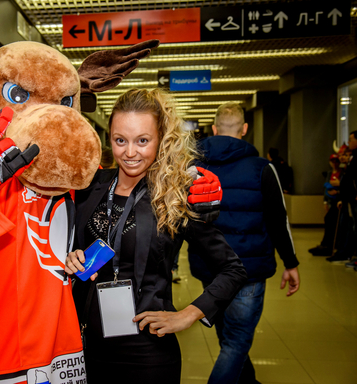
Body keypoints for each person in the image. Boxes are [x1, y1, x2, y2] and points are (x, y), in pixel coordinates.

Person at [64, 89, 247, 383]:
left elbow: (232, 269)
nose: (130, 152)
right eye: (120, 140)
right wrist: (72, 256)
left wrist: (189, 314)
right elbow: (70, 245)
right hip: (86, 344)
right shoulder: (90, 187)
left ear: (161, 139)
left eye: (143, 141)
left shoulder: (175, 196)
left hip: (147, 350)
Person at [189, 102, 300, 384]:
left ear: (214, 129)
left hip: (210, 268)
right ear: (245, 129)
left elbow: (182, 220)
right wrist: (291, 263)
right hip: (248, 272)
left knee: (228, 337)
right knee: (236, 342)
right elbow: (278, 219)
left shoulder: (194, 169)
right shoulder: (262, 169)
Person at [328, 130, 357, 264]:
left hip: (352, 199)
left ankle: (347, 253)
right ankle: (343, 251)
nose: (349, 142)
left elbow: (351, 182)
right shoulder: (350, 163)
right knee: (348, 226)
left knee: (352, 227)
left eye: (351, 139)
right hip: (346, 198)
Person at [309, 153, 341, 256]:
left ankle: (330, 245)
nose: (334, 164)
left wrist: (338, 192)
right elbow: (326, 188)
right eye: (333, 161)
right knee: (328, 220)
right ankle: (325, 244)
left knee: (332, 221)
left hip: (339, 201)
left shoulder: (342, 173)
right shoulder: (329, 173)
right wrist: (325, 201)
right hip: (331, 201)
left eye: (336, 161)